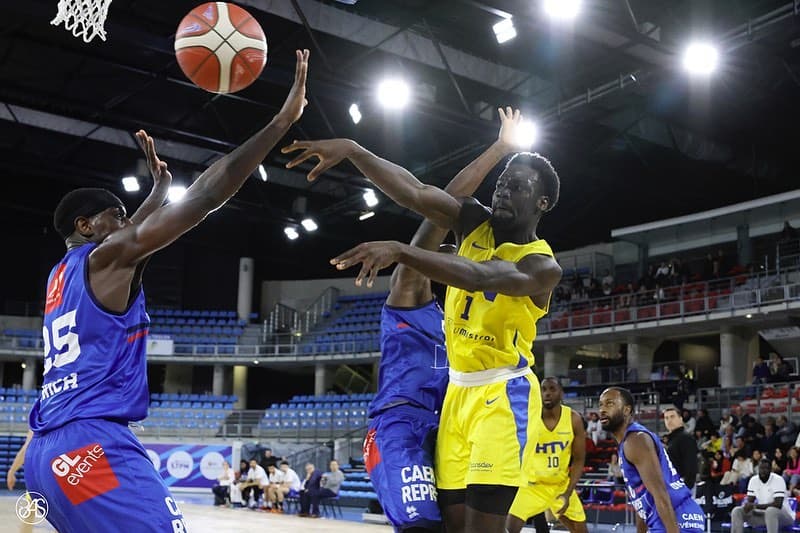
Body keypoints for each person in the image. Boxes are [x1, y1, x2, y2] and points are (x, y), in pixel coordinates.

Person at [22, 50, 310, 533]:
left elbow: (135, 232)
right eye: (117, 215)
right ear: (86, 225)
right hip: (92, 443)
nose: (127, 223)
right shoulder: (107, 258)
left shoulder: (60, 276)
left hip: (47, 458)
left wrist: (158, 189)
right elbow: (204, 197)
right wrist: (281, 121)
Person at [283, 113, 562, 533]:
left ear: (541, 203)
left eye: (517, 186)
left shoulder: (542, 265)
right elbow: (416, 192)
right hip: (457, 397)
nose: (503, 190)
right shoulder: (474, 221)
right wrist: (356, 151)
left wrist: (401, 251)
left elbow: (481, 276)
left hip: (503, 397)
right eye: (502, 183)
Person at [362, 109, 521, 533]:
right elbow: (437, 211)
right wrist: (500, 149)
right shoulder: (409, 294)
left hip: (450, 425)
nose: (455, 257)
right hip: (401, 425)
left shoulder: (458, 319)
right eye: (449, 252)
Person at [598, 387, 705, 533]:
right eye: (601, 405)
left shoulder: (636, 441)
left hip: (676, 518)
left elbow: (660, 493)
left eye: (609, 404)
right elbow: (641, 500)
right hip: (669, 517)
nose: (602, 409)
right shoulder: (629, 442)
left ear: (627, 410)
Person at [507, 378, 587, 533]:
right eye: (543, 389)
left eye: (552, 389)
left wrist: (568, 492)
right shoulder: (530, 417)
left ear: (561, 393)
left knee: (581, 530)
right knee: (510, 528)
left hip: (560, 486)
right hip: (532, 486)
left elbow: (579, 459)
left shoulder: (573, 419)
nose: (547, 393)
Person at [731, 459, 794, 533]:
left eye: (766, 468)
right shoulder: (753, 480)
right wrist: (747, 506)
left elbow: (778, 504)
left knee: (771, 511)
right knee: (737, 511)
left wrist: (755, 506)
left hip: (783, 517)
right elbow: (750, 502)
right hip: (763, 515)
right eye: (761, 468)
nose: (763, 471)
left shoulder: (778, 480)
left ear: (770, 470)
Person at [663, 407, 698, 490]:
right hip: (670, 485)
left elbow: (691, 466)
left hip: (682, 485)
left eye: (672, 417)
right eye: (666, 418)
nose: (669, 420)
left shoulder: (686, 438)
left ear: (680, 419)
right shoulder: (670, 440)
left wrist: (686, 487)